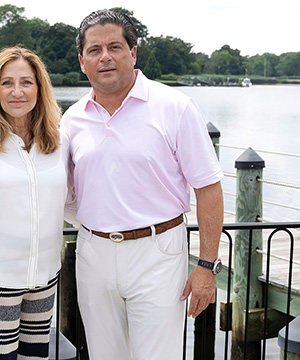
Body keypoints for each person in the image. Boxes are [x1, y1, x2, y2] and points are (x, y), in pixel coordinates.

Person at [60, 9, 224, 360]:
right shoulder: (71, 119)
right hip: (94, 252)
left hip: (159, 252)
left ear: (133, 53)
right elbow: (61, 188)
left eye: (115, 47)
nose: (105, 57)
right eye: (94, 50)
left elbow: (208, 187)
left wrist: (207, 266)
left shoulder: (175, 107)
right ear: (82, 61)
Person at [0, 46, 75, 359]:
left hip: (45, 279)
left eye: (26, 82)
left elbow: (73, 201)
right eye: (7, 83)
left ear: (40, 89)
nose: (17, 91)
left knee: (35, 358)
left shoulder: (60, 142)